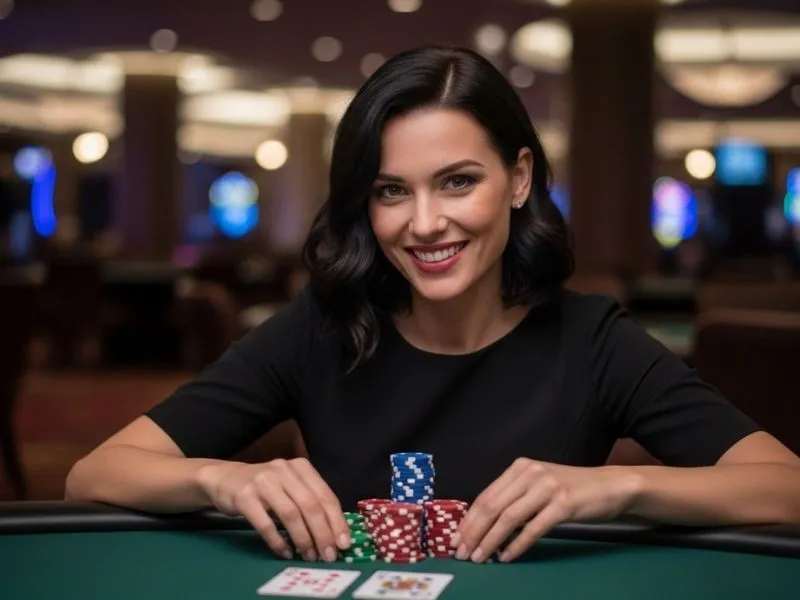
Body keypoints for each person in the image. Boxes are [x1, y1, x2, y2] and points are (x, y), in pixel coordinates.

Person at [66, 46, 800, 566]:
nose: (423, 223)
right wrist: (223, 478)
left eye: (456, 182)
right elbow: (96, 475)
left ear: (518, 179)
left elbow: (786, 487)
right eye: (391, 191)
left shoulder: (592, 339)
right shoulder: (323, 327)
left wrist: (616, 486)